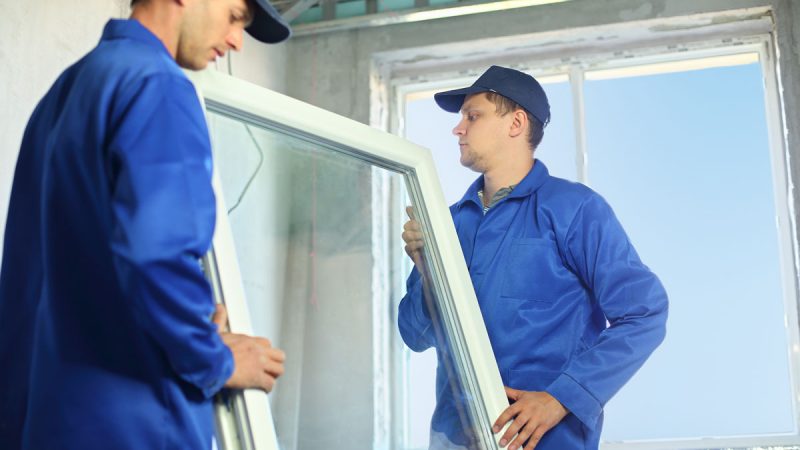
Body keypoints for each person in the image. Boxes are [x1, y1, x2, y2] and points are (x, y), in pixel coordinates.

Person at [0, 0, 291, 448]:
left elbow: (49, 280)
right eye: (235, 16)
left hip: (49, 419)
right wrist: (214, 358)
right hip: (130, 427)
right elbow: (158, 255)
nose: (235, 42)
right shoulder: (158, 87)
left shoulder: (67, 90)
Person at [398, 65, 669, 450]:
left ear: (516, 123)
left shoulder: (574, 210)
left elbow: (644, 313)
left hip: (545, 441)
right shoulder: (447, 225)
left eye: (473, 116)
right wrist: (428, 273)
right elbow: (415, 336)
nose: (458, 129)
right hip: (456, 438)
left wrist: (561, 398)